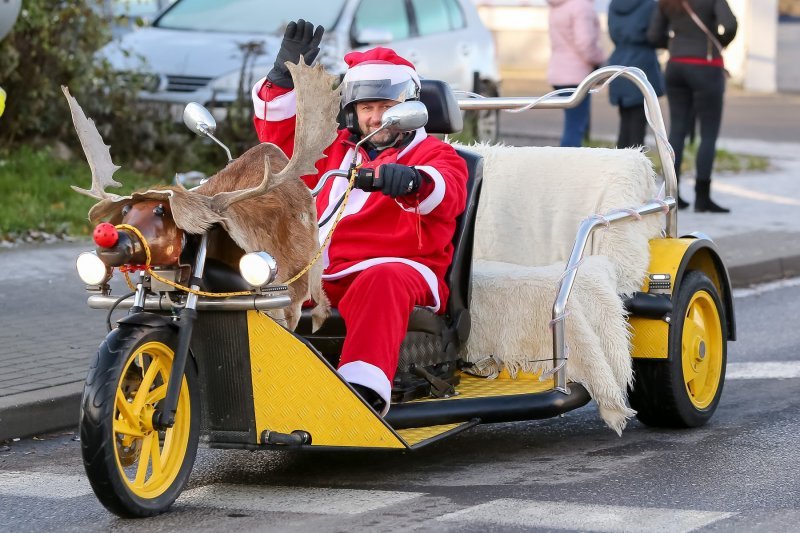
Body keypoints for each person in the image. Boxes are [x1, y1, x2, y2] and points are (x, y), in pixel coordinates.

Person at [252, 20, 468, 415]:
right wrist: (280, 83)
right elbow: (279, 148)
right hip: (322, 270)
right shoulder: (337, 151)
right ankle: (230, 380)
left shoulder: (436, 155)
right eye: (367, 108)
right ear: (352, 112)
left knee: (380, 281)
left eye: (387, 108)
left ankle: (359, 395)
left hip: (401, 267)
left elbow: (447, 192)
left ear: (409, 110)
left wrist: (412, 181)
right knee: (250, 272)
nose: (376, 118)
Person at [648, 0, 737, 213]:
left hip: (676, 65)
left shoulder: (667, 1)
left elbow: (653, 36)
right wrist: (719, 41)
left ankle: (672, 194)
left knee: (676, 131)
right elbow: (730, 24)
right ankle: (702, 198)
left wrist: (676, 44)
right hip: (706, 65)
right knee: (708, 134)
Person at [546, 0, 606, 147]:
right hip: (577, 74)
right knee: (575, 127)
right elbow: (585, 44)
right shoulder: (580, 6)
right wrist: (601, 59)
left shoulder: (558, 6)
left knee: (573, 124)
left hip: (558, 71)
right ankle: (568, 165)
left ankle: (569, 161)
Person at [607, 0, 665, 149]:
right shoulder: (650, 5)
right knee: (638, 129)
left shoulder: (614, 5)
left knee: (624, 124)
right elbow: (655, 36)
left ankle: (620, 168)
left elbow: (613, 34)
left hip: (618, 64)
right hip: (641, 66)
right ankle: (634, 170)